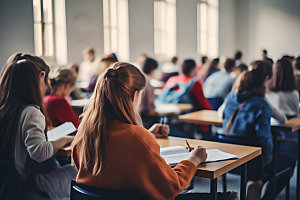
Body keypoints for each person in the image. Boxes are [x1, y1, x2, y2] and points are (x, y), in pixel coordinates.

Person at [72, 62, 208, 199]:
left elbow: (112, 150)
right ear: (134, 96)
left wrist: (147, 134)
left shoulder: (84, 130)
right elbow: (172, 186)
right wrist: (194, 159)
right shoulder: (137, 138)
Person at [0, 53, 77, 199]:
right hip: (28, 182)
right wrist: (66, 140)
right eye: (46, 79)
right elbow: (40, 152)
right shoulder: (31, 112)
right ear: (40, 76)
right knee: (79, 172)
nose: (48, 86)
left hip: (9, 178)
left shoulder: (7, 108)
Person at [222, 60, 295, 200]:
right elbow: (264, 138)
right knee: (288, 162)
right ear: (263, 82)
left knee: (254, 155)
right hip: (252, 160)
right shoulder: (261, 103)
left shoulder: (231, 98)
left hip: (229, 158)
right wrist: (266, 162)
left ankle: (257, 180)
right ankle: (262, 188)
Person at [266, 59, 299, 159]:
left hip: (271, 128)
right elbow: (296, 111)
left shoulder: (267, 91)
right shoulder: (294, 93)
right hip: (291, 131)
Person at [139, 58, 159, 128]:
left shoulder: (139, 78)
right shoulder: (147, 81)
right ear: (152, 69)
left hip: (138, 114)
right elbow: (150, 103)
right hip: (143, 117)